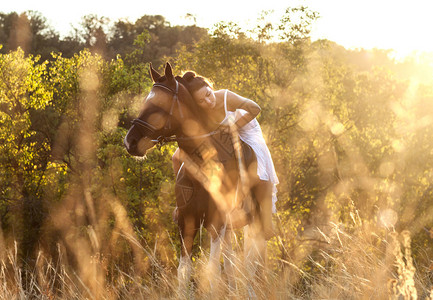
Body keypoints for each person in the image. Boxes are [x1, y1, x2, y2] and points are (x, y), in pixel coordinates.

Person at [172, 71, 279, 240]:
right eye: (201, 101)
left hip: (247, 131)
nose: (208, 101)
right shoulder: (200, 111)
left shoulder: (225, 96)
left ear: (210, 86)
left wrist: (233, 126)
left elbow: (255, 108)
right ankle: (182, 205)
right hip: (223, 136)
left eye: (208, 94)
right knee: (176, 156)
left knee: (260, 166)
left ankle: (265, 219)